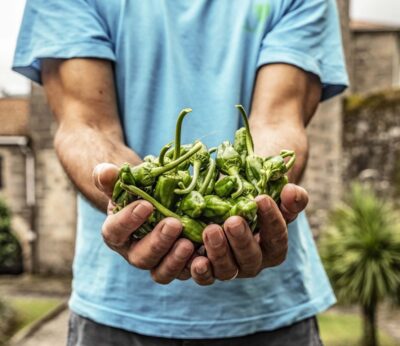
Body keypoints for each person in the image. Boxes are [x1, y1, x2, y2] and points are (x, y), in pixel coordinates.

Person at [13, 0, 348, 345]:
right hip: (117, 310)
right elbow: (85, 123)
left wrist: (258, 196)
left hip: (269, 310)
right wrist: (126, 193)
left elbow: (280, 119)